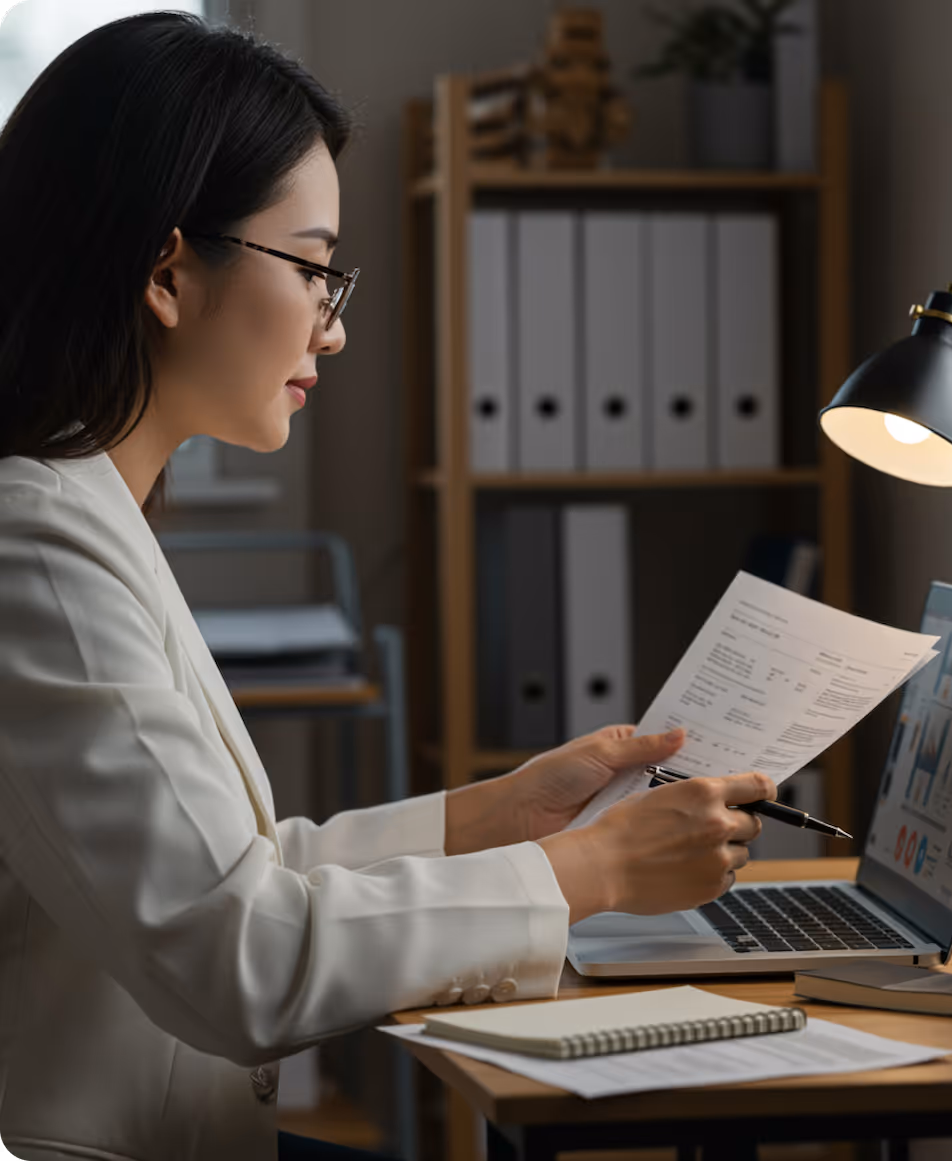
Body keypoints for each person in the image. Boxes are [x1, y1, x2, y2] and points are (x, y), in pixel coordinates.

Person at [0, 13, 776, 1161]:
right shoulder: (37, 548)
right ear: (167, 273)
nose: (337, 324)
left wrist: (499, 815)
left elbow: (236, 880)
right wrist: (593, 868)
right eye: (312, 269)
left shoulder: (83, 515)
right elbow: (242, 960)